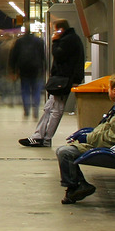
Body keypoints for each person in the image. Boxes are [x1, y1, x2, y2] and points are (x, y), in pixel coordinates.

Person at [55, 72, 115, 204]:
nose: (108, 91)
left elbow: (111, 137)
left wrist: (87, 138)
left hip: (109, 148)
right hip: (104, 143)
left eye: (109, 88)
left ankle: (76, 187)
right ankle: (76, 187)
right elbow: (107, 128)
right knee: (65, 151)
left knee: (64, 153)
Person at [18, 18, 84, 147]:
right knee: (49, 108)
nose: (54, 33)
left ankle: (45, 138)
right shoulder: (71, 38)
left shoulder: (67, 40)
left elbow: (58, 54)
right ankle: (38, 136)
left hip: (63, 80)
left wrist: (55, 41)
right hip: (62, 79)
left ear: (61, 29)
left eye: (55, 30)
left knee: (56, 110)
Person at [9, 30, 47, 118]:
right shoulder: (39, 41)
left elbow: (13, 56)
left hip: (23, 69)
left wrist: (13, 69)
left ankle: (26, 110)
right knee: (36, 90)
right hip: (36, 68)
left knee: (25, 90)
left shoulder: (19, 41)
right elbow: (43, 56)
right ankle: (36, 110)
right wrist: (45, 68)